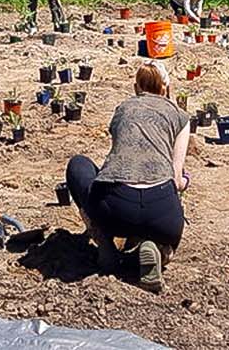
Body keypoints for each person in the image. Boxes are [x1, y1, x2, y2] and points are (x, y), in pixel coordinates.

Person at [64, 61, 190, 294]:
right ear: (166, 89)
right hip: (162, 215)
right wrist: (184, 183)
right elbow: (176, 177)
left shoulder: (123, 109)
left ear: (135, 87)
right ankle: (158, 250)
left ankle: (105, 244)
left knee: (78, 165)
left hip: (114, 210)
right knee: (158, 220)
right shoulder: (180, 117)